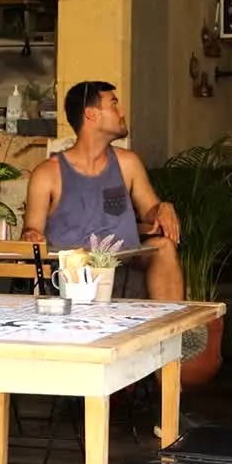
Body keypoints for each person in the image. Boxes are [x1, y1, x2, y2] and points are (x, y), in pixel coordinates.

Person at [20, 80, 183, 301]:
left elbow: (150, 211)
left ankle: (170, 330)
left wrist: (163, 208)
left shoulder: (128, 163)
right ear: (91, 114)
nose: (122, 112)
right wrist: (31, 234)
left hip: (124, 262)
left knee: (163, 247)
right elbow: (31, 231)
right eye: (114, 104)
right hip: (74, 272)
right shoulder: (48, 174)